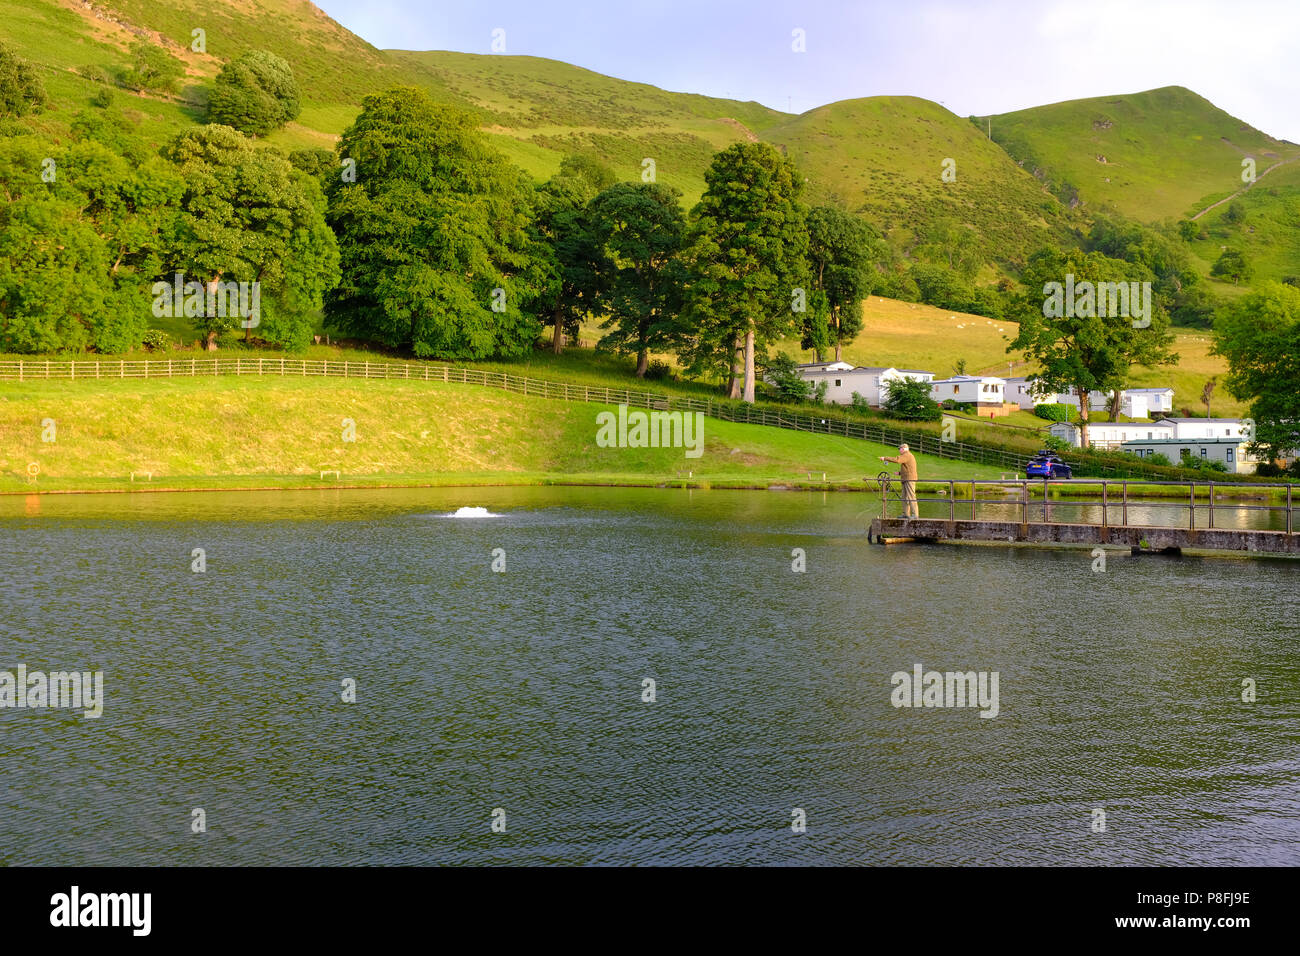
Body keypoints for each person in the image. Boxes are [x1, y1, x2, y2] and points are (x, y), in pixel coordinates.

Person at [880, 443, 919, 519]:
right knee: (904, 497)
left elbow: (897, 460)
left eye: (900, 449)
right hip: (905, 479)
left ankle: (915, 515)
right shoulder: (907, 455)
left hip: (909, 479)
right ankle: (905, 514)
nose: (899, 450)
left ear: (904, 448)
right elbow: (909, 468)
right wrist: (900, 473)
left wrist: (885, 458)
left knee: (911, 496)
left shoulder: (907, 455)